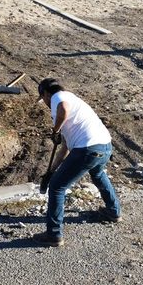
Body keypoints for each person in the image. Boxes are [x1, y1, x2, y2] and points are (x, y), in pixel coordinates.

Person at [35, 79, 121, 247]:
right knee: (98, 174)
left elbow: (63, 110)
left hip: (87, 149)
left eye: (42, 98)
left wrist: (55, 130)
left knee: (57, 188)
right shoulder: (74, 100)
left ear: (45, 93)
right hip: (104, 145)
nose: (45, 102)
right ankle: (113, 212)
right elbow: (66, 147)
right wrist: (51, 171)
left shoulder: (58, 97)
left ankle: (53, 234)